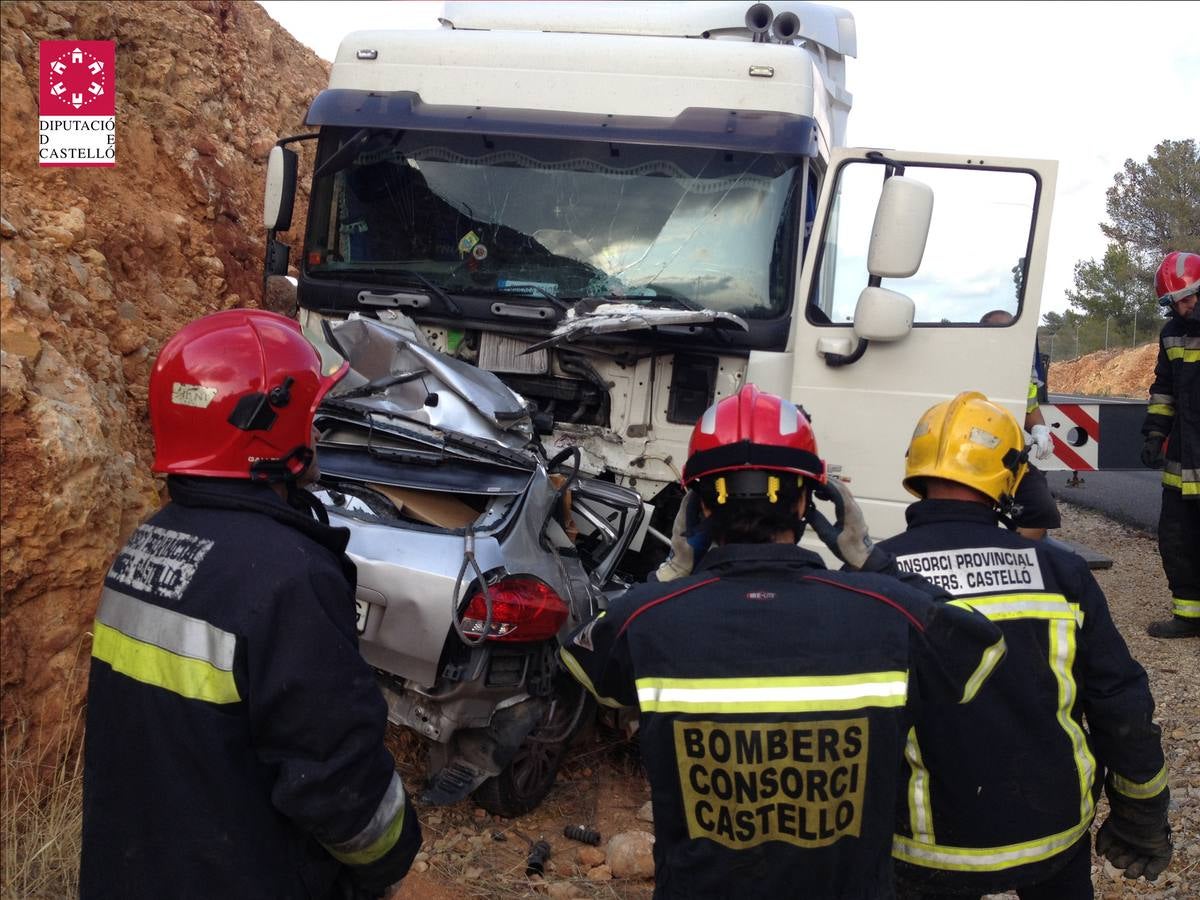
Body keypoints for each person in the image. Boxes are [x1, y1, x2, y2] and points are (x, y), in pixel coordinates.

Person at [560, 384, 1007, 899]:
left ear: (700, 508)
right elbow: (981, 645)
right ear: (807, 500)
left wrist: (672, 570)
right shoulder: (890, 613)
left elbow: (581, 653)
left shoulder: (648, 619)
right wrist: (870, 559)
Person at [81, 310, 421, 899]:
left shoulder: (143, 547)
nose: (316, 436)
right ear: (270, 429)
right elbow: (340, 787)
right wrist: (389, 858)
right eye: (312, 418)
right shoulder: (288, 580)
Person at [878, 391, 1172, 899]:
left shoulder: (875, 576)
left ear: (916, 467)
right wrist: (1140, 811)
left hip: (928, 849)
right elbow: (1120, 703)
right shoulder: (1060, 571)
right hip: (1051, 835)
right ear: (1012, 475)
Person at [1141, 250, 1200, 638]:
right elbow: (1164, 389)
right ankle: (1188, 615)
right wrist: (1155, 433)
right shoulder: (1171, 333)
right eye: (1173, 302)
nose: (1180, 307)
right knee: (1176, 536)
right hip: (1183, 452)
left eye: (1186, 298)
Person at [979, 309, 1060, 539]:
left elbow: (1030, 407)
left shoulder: (1023, 367)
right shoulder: (972, 362)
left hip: (1009, 454)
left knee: (1041, 510)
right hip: (971, 455)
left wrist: (1040, 429)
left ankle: (1014, 558)